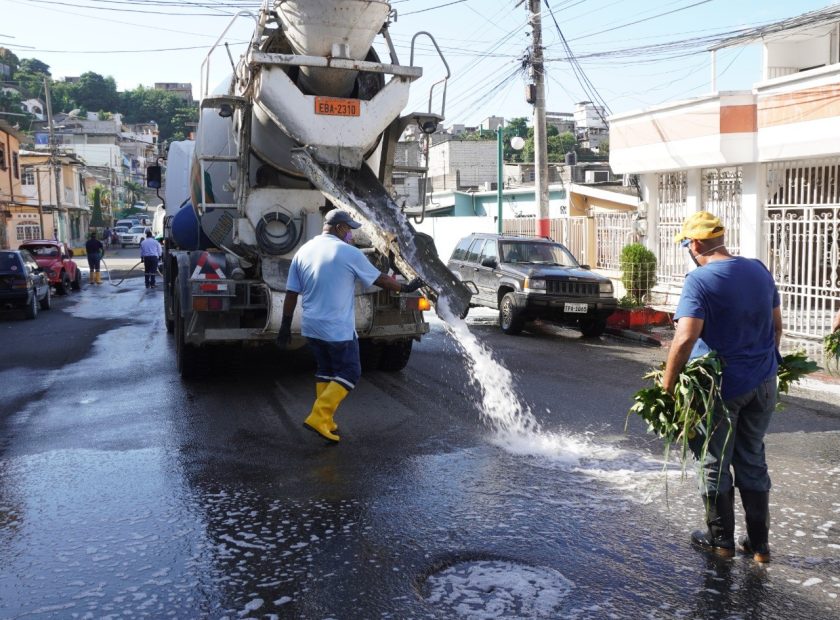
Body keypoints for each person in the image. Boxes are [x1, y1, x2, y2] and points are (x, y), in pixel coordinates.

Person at [662, 211, 782, 564]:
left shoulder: (700, 279)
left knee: (714, 460)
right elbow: (777, 327)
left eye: (687, 244)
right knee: (752, 457)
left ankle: (721, 542)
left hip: (720, 387)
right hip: (763, 383)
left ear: (695, 244)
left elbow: (685, 338)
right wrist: (763, 363)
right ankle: (759, 546)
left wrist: (667, 389)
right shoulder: (759, 269)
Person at [277, 209, 424, 444]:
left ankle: (326, 420)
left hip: (312, 328)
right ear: (340, 228)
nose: (352, 235)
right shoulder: (347, 252)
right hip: (336, 328)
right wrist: (406, 288)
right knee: (350, 372)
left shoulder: (303, 251)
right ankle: (319, 415)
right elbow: (381, 279)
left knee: (326, 369)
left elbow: (291, 292)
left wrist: (285, 325)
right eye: (350, 229)